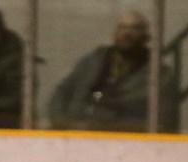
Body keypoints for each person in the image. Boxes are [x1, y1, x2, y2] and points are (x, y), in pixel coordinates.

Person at [48, 9, 179, 133]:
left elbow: (163, 123)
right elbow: (62, 92)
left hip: (123, 143)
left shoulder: (160, 76)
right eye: (122, 27)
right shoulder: (92, 61)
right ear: (115, 33)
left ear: (147, 36)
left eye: (135, 28)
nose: (127, 33)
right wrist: (61, 122)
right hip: (74, 137)